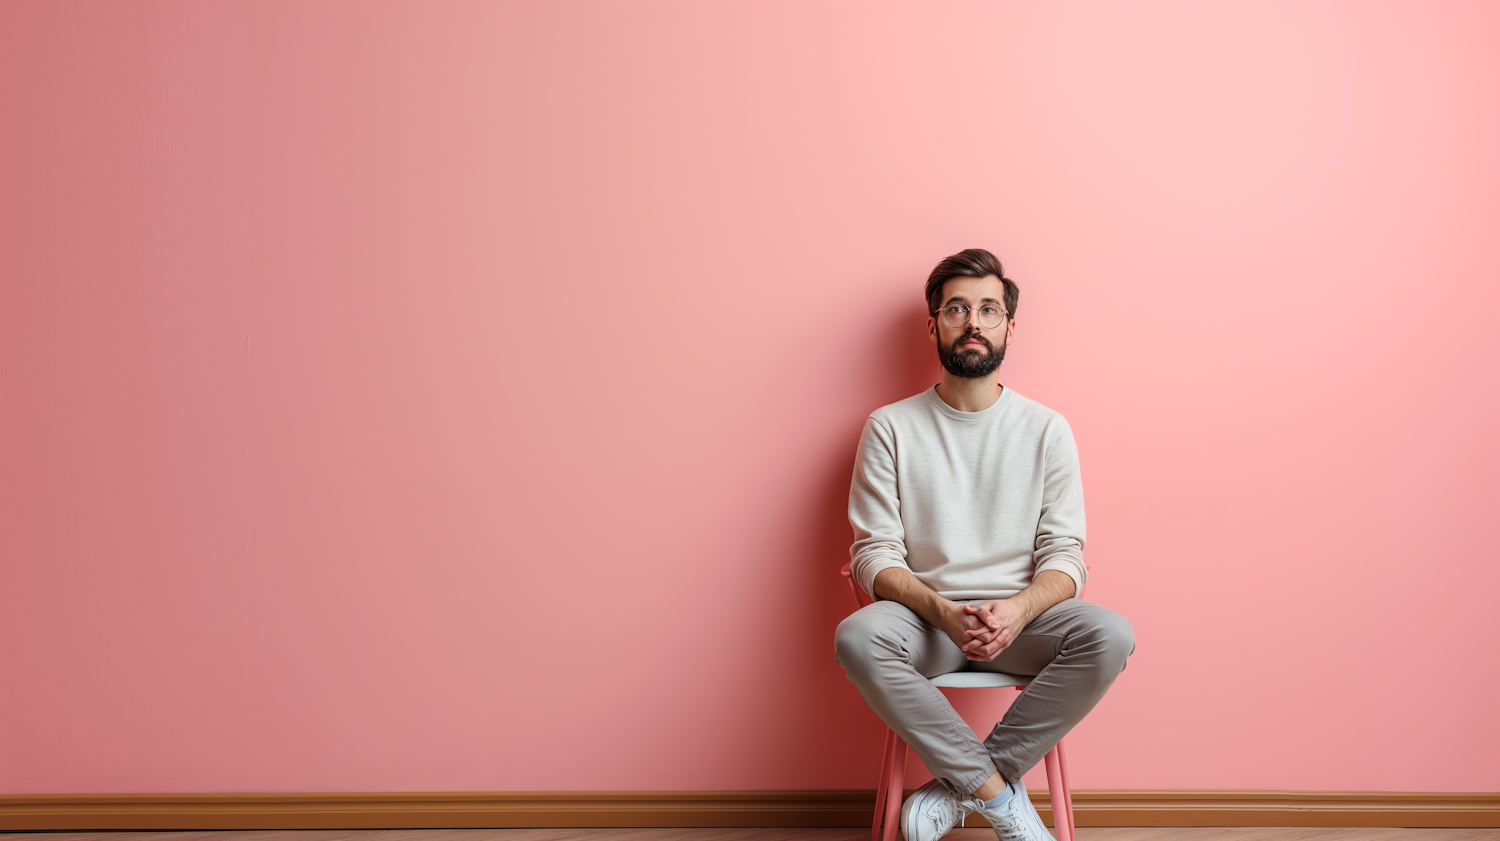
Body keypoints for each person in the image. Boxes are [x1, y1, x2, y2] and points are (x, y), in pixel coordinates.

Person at [834, 249, 1135, 841]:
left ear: (1008, 327)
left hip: (1022, 623)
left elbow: (1065, 555)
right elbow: (874, 555)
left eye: (989, 309)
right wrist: (943, 612)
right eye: (957, 308)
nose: (973, 321)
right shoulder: (890, 427)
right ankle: (999, 798)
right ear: (934, 325)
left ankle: (961, 786)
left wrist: (1018, 609)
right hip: (925, 623)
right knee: (856, 639)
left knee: (1110, 635)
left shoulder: (1046, 429)